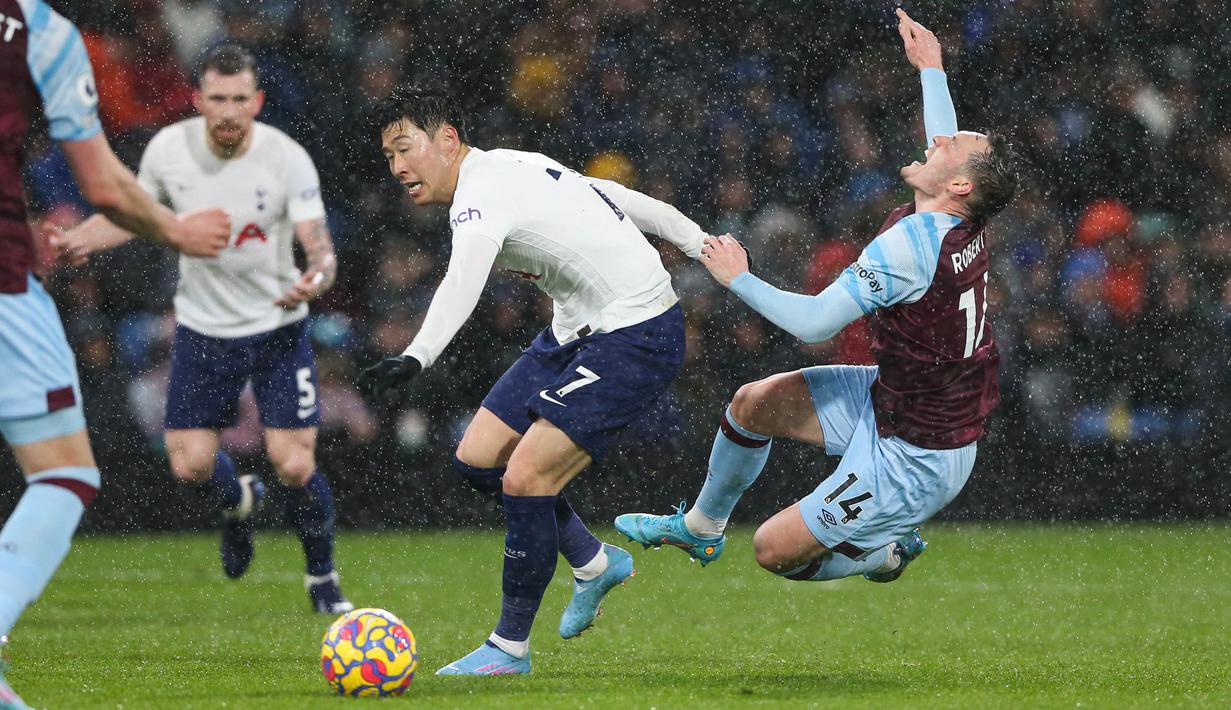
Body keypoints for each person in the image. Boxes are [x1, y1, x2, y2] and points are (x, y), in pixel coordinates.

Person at [617, 10, 1018, 588]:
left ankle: (883, 553)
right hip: (896, 399)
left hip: (918, 454)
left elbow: (812, 323)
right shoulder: (966, 217)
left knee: (773, 551)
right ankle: (702, 527)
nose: (940, 139)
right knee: (752, 403)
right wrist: (932, 69)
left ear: (958, 186)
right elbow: (948, 143)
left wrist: (738, 278)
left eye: (953, 145)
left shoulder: (911, 247)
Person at [359, 86, 712, 676]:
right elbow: (619, 198)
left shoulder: (479, 196)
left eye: (404, 149)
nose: (397, 168)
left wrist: (417, 356)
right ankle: (594, 562)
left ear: (448, 139)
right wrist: (697, 239)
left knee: (525, 476)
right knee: (477, 460)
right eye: (388, 157)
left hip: (636, 333)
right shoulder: (511, 162)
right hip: (573, 332)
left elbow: (462, 279)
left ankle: (509, 648)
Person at [54, 45, 352, 614]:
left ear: (258, 101)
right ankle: (237, 499)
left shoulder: (286, 158)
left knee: (294, 463)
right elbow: (132, 217)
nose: (229, 111)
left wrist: (315, 277)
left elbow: (319, 247)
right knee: (189, 464)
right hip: (204, 332)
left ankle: (323, 581)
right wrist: (78, 242)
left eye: (241, 99)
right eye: (217, 98)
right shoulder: (169, 152)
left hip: (277, 330)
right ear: (197, 99)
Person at [0, 1, 230, 706]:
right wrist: (178, 232)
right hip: (3, 281)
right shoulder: (39, 30)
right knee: (63, 472)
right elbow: (103, 184)